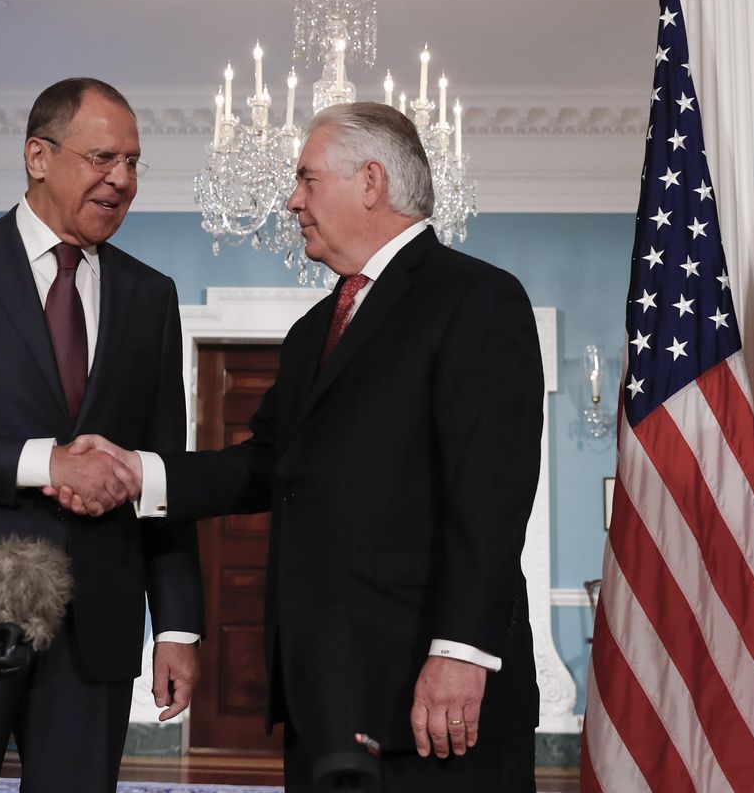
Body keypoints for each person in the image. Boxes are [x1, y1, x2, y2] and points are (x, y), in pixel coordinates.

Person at [54, 102, 543, 792]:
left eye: (307, 179)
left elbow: (490, 498)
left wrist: (462, 652)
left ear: (370, 182)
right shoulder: (318, 326)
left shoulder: (476, 299)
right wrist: (140, 474)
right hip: (326, 694)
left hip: (434, 694)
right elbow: (265, 465)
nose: (291, 200)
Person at [0, 78, 204, 793]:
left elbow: (164, 470)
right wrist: (43, 463)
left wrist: (177, 625)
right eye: (104, 157)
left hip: (96, 629)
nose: (123, 180)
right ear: (37, 156)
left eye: (134, 163)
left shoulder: (152, 295)